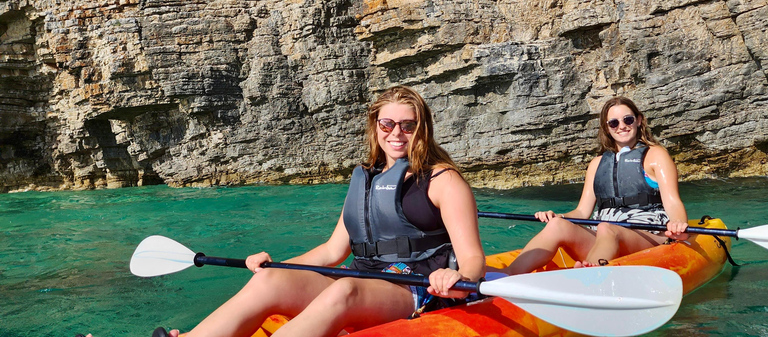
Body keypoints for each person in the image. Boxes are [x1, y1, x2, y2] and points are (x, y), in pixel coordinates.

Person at [164, 85, 485, 337]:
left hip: (414, 289)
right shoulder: (368, 179)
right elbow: (332, 251)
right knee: (270, 280)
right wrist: (274, 266)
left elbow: (472, 258)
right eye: (387, 123)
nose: (396, 133)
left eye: (407, 125)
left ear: (422, 128)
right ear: (376, 127)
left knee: (346, 289)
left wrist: (458, 276)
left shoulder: (444, 181)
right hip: (365, 278)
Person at [502, 96, 689, 273]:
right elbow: (582, 212)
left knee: (607, 228)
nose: (621, 126)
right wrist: (557, 216)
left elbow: (672, 201)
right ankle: (509, 274)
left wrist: (679, 223)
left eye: (628, 120)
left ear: (639, 120)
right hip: (604, 238)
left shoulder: (656, 155)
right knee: (559, 225)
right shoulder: (597, 164)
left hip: (647, 236)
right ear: (607, 128)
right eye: (614, 123)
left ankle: (588, 276)